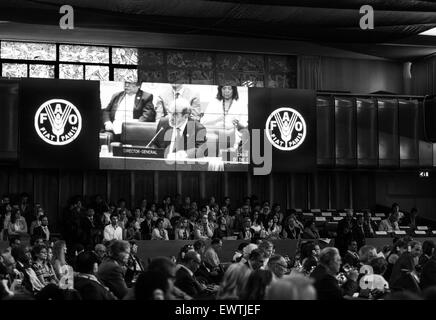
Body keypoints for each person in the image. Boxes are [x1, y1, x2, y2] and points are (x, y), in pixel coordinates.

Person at [201, 85, 248, 153]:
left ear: (234, 90)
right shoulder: (213, 102)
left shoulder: (241, 104)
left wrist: (237, 124)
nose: (227, 91)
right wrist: (217, 118)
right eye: (224, 88)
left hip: (233, 139)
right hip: (214, 138)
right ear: (220, 90)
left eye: (229, 88)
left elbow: (244, 125)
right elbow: (203, 121)